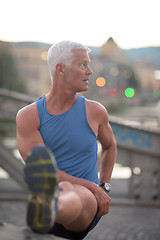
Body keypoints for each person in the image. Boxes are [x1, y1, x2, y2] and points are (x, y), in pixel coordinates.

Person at [16, 41, 117, 240]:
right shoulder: (29, 116)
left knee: (70, 190)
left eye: (88, 64)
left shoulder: (95, 111)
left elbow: (110, 145)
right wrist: (93, 186)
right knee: (62, 189)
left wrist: (103, 185)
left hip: (88, 204)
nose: (90, 71)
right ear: (60, 69)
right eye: (82, 65)